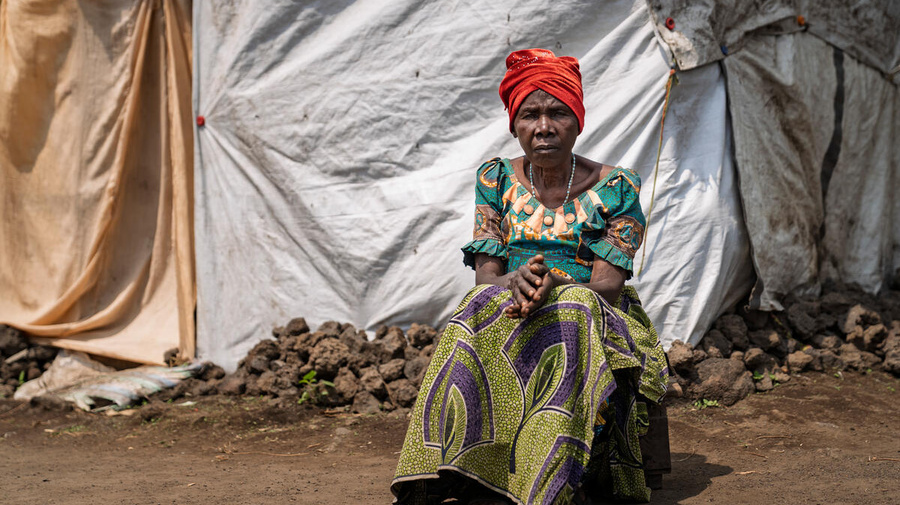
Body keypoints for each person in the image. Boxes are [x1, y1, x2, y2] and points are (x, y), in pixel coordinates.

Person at [391, 48, 669, 505]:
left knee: (576, 309)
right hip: (513, 303)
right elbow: (486, 279)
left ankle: (549, 481)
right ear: (514, 124)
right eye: (530, 115)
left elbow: (608, 287)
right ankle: (441, 474)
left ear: (577, 121)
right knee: (472, 307)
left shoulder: (617, 186)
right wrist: (514, 281)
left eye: (558, 112)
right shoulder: (495, 178)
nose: (544, 126)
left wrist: (557, 284)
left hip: (595, 312)